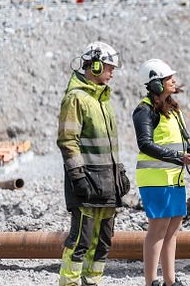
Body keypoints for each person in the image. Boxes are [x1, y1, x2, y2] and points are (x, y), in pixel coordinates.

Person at [132, 59, 190, 286]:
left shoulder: (173, 109)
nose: (174, 81)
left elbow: (183, 143)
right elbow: (145, 144)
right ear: (156, 84)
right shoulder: (144, 110)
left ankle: (170, 281)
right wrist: (178, 157)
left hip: (174, 176)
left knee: (173, 227)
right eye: (169, 78)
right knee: (158, 227)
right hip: (155, 178)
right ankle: (151, 281)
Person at [58, 41, 129, 286]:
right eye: (109, 68)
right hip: (87, 183)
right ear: (95, 66)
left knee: (103, 241)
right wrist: (77, 175)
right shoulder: (76, 98)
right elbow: (68, 140)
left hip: (107, 184)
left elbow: (108, 146)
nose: (112, 73)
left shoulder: (103, 101)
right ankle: (69, 283)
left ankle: (92, 282)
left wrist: (119, 173)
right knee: (81, 240)